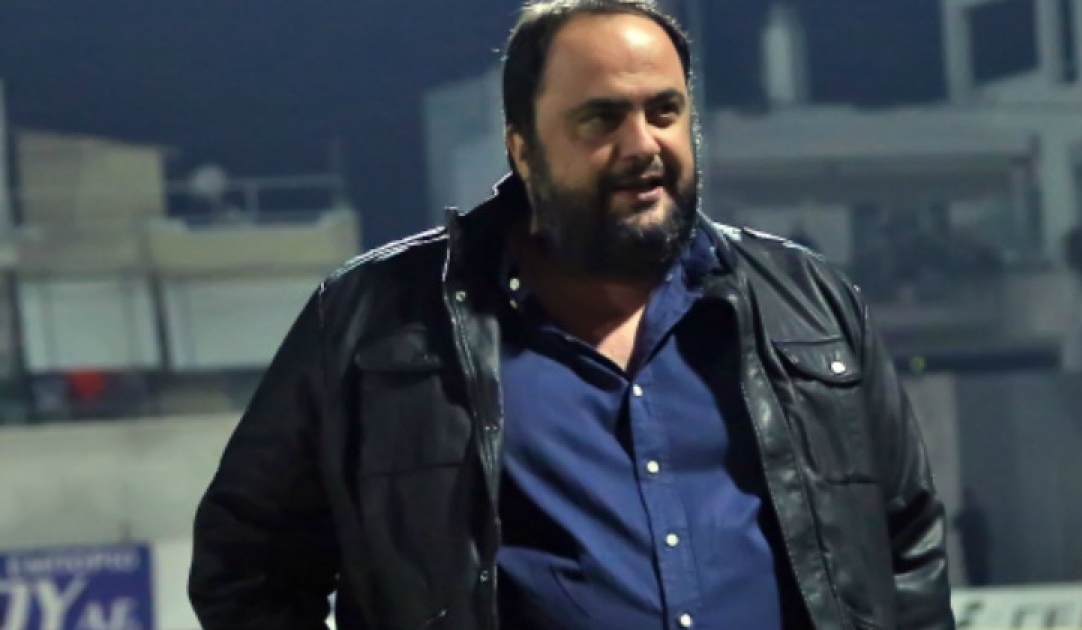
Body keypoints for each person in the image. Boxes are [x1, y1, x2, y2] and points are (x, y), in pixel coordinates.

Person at [187, 1, 955, 629]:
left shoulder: (811, 305)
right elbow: (246, 566)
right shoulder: (376, 321)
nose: (643, 144)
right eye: (601, 118)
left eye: (665, 111)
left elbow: (907, 546)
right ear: (522, 150)